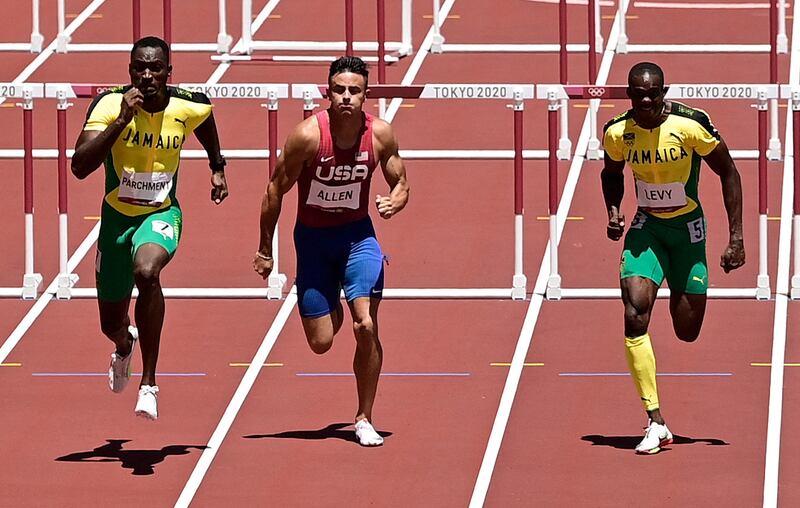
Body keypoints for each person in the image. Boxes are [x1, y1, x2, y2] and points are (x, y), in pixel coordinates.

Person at [253, 56, 409, 446]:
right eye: (339, 90)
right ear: (328, 93)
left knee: (366, 325)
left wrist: (396, 200)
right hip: (313, 241)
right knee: (321, 342)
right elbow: (275, 190)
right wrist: (264, 249)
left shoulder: (380, 135)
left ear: (366, 96)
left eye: (354, 91)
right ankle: (332, 305)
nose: (346, 97)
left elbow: (402, 180)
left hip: (358, 238)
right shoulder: (307, 136)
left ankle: (363, 417)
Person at [72, 36, 228, 420]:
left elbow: (205, 121)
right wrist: (122, 122)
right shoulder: (109, 105)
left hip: (160, 214)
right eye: (139, 68)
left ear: (167, 72)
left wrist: (217, 166)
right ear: (129, 72)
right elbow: (79, 166)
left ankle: (149, 383)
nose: (146, 76)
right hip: (115, 220)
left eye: (154, 68)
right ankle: (125, 345)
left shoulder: (188, 104)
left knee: (147, 270)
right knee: (111, 324)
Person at [601, 61, 745, 454]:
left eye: (654, 93)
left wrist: (737, 238)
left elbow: (729, 172)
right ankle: (655, 419)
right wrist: (613, 210)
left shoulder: (690, 125)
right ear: (628, 95)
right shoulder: (618, 132)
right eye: (638, 93)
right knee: (634, 314)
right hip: (646, 228)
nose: (646, 100)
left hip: (688, 232)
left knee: (686, 330)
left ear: (664, 92)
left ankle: (676, 282)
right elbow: (611, 173)